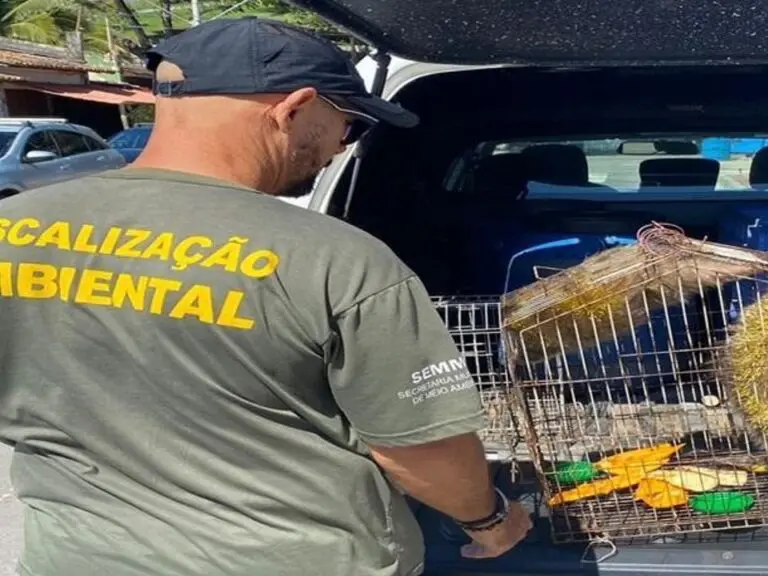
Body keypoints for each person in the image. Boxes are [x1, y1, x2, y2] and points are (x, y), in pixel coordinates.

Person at [0, 16, 531, 576]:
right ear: (295, 107)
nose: (339, 148)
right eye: (346, 126)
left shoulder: (10, 226)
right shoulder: (335, 259)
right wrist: (490, 520)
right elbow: (421, 451)